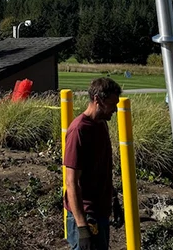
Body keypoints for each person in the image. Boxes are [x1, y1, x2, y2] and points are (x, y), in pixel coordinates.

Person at [64, 77, 122, 250]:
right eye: (112, 104)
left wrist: (113, 200)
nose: (115, 110)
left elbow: (102, 168)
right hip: (86, 215)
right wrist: (82, 228)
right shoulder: (78, 131)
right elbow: (71, 182)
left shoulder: (102, 124)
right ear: (98, 100)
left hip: (101, 212)